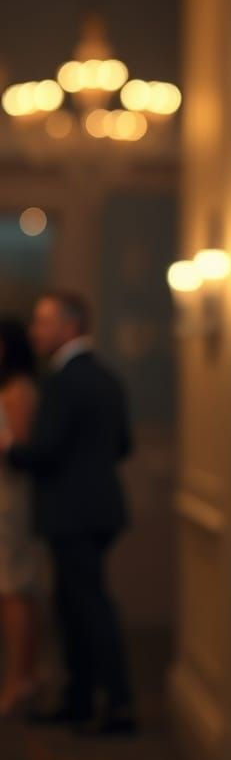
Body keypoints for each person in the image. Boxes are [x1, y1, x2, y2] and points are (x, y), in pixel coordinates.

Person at [0, 291, 136, 733]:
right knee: (77, 606)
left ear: (69, 326)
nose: (35, 331)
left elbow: (44, 452)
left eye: (43, 322)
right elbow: (123, 445)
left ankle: (115, 705)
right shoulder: (104, 375)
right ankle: (81, 699)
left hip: (73, 513)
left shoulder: (64, 379)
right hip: (96, 508)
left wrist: (10, 449)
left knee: (87, 608)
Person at [0, 318, 43, 715]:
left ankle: (20, 679)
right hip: (5, 498)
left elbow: (21, 448)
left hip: (12, 501)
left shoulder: (19, 390)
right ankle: (20, 677)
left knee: (16, 589)